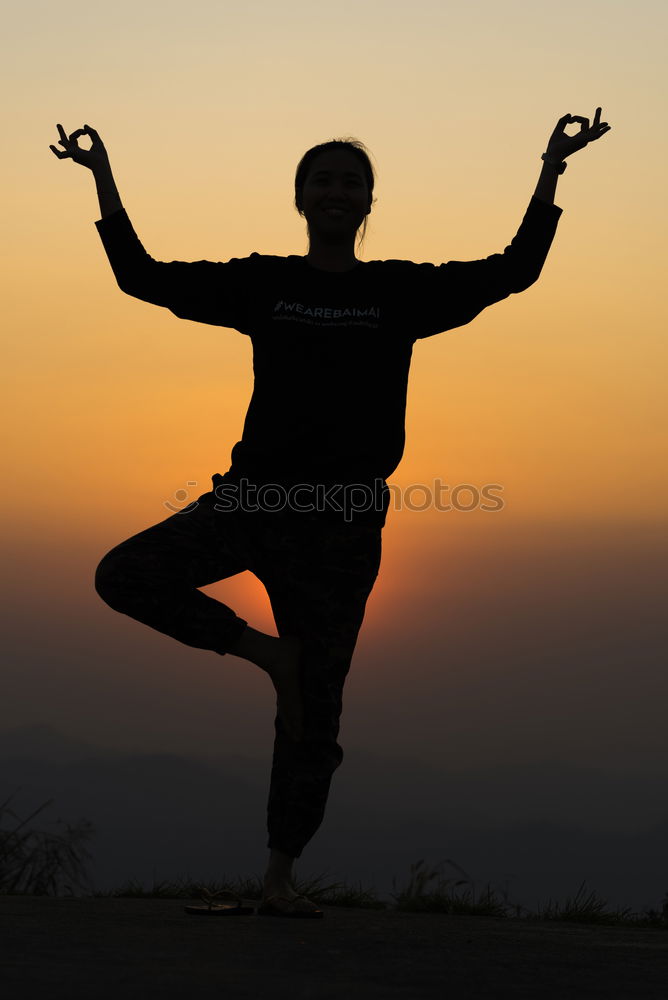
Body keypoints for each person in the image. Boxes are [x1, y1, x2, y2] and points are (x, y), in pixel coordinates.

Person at [50, 109, 611, 918]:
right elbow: (143, 277)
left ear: (368, 201)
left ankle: (279, 878)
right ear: (300, 198)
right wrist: (100, 177)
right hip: (252, 501)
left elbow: (512, 270)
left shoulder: (400, 293)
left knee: (317, 713)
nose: (337, 190)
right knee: (125, 574)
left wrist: (552, 168)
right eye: (323, 179)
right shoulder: (265, 281)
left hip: (342, 525)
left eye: (351, 181)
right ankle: (264, 655)